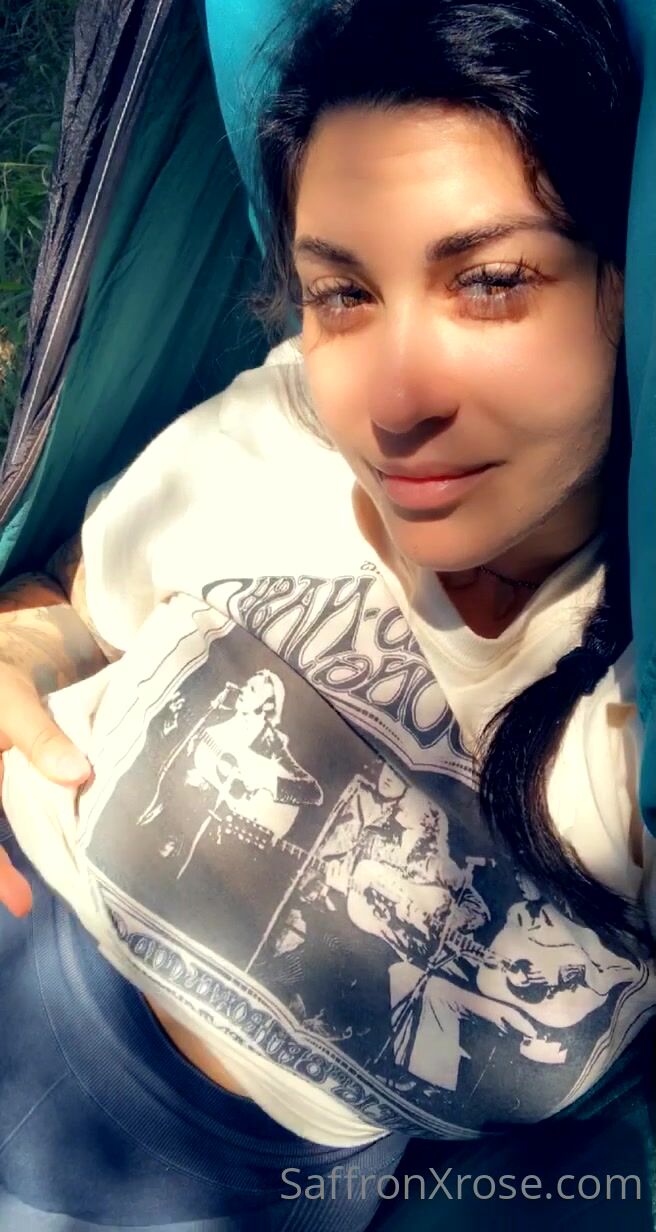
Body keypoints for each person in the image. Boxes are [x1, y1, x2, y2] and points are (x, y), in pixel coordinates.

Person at [1, 0, 655, 1227]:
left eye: (488, 281)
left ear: (625, 288)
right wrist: (25, 644)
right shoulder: (279, 435)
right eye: (342, 293)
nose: (394, 404)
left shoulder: (628, 694)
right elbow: (67, 606)